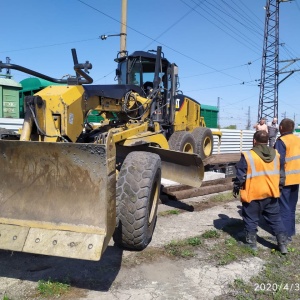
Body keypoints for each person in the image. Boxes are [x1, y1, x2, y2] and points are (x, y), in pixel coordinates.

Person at [232, 130, 288, 254]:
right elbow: (282, 175)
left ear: (254, 141)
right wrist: (279, 188)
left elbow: (241, 176)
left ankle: (251, 244)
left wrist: (236, 187)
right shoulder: (276, 155)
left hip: (253, 193)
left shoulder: (248, 155)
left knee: (250, 218)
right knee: (275, 219)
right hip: (271, 193)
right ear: (267, 141)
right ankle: (283, 244)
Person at [274, 118, 300, 243]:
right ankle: (291, 232)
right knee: (291, 206)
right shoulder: (297, 139)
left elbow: (278, 161)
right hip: (297, 178)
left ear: (281, 128)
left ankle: (284, 236)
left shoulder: (281, 141)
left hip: (285, 179)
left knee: (283, 207)